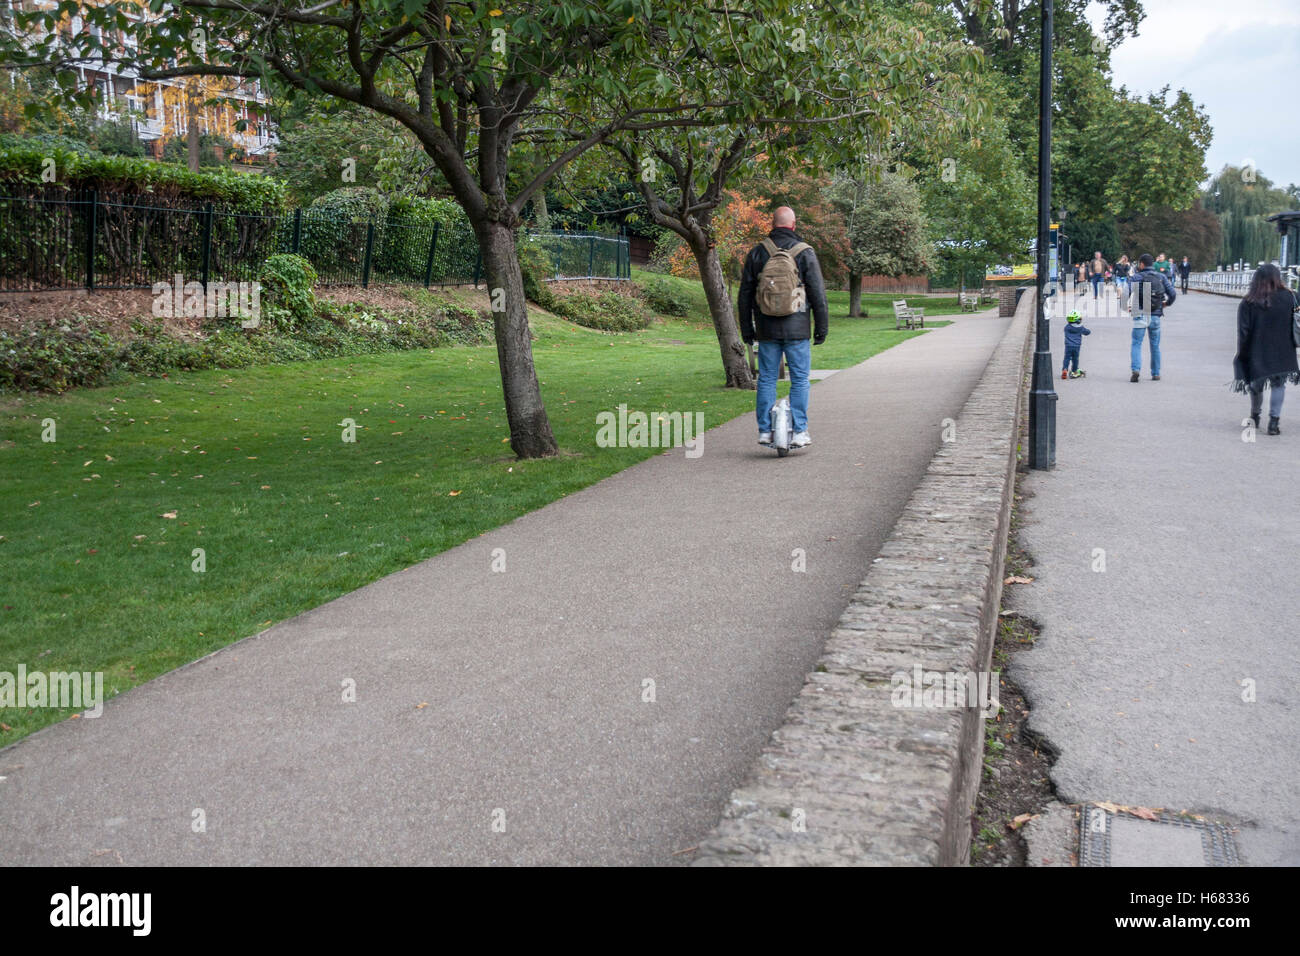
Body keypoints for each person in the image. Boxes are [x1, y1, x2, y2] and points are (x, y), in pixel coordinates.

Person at [737, 206, 829, 448]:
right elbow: (818, 294)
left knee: (767, 379)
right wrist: (821, 328)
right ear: (794, 224)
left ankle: (765, 431)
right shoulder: (805, 252)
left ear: (772, 223)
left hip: (767, 328)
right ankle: (800, 431)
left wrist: (747, 329)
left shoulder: (758, 252)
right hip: (797, 328)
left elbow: (745, 294)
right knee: (799, 379)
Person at [1232, 264, 1299, 435]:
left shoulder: (1248, 301)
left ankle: (1255, 416)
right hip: (1284, 349)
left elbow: (1243, 332)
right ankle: (1274, 423)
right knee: (1279, 385)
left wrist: (1242, 354)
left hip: (1257, 349)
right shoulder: (1291, 297)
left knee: (1256, 384)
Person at [1128, 253, 1176, 382]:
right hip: (1155, 315)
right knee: (1155, 345)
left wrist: (1127, 306)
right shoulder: (1161, 277)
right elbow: (1173, 293)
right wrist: (1166, 304)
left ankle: (1136, 370)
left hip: (1140, 315)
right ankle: (1155, 373)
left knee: (1136, 343)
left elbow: (1125, 292)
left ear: (1142, 264)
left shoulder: (1136, 277)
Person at [1061, 310, 1091, 379]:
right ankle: (1074, 371)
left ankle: (1065, 369)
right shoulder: (1080, 328)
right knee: (1075, 359)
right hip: (1076, 346)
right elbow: (1087, 332)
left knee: (1067, 358)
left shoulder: (1067, 327)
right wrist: (1088, 330)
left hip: (1068, 346)